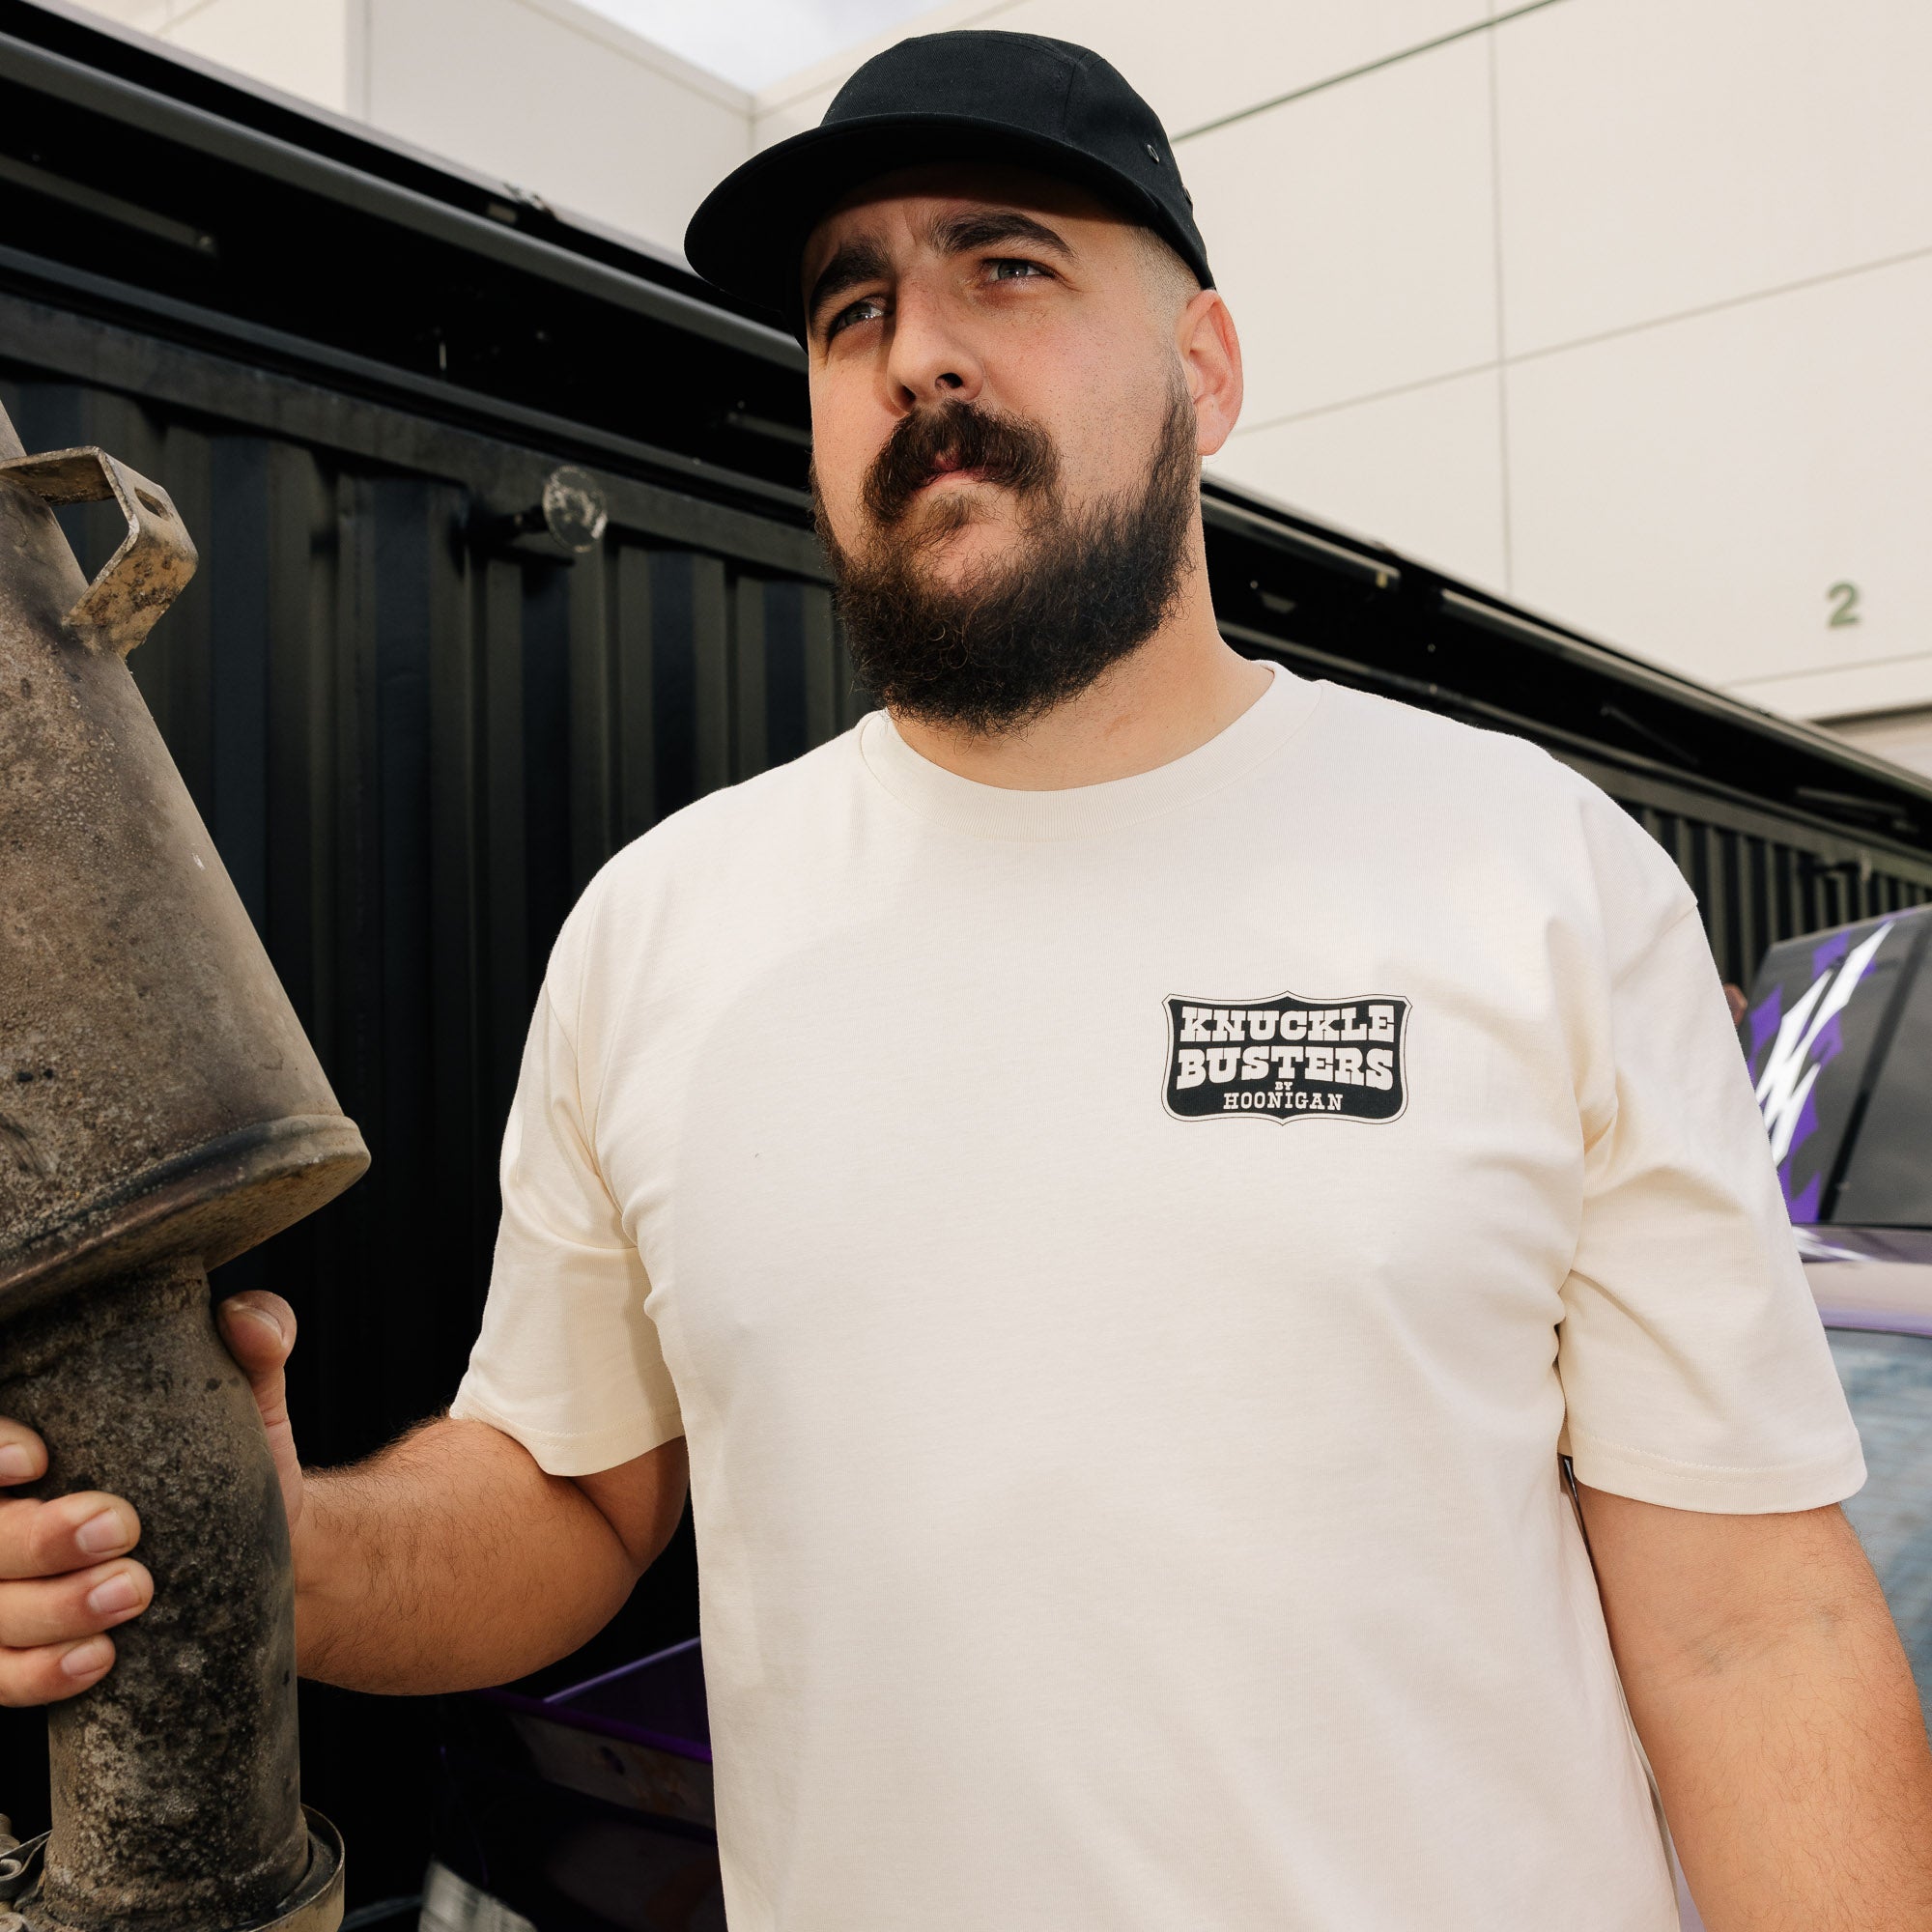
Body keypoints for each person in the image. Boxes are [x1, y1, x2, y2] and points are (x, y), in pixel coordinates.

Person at [3, 30, 1930, 1931]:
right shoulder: (669, 931)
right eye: (851, 311)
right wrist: (255, 1545)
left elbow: (1751, 1629)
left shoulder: (1523, 870)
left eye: (1005, 266)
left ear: (1204, 368)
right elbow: (567, 1507)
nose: (913, 347)